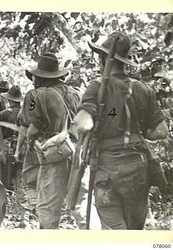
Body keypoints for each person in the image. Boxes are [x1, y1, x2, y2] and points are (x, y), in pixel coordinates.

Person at [73, 31, 168, 229]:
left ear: (102, 59)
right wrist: (137, 131)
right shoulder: (143, 89)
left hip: (107, 167)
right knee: (134, 230)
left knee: (115, 230)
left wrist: (93, 119)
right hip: (138, 168)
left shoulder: (98, 88)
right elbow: (161, 131)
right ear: (124, 61)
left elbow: (83, 124)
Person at [17, 53, 78, 229]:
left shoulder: (35, 96)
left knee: (47, 209)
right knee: (80, 206)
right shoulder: (74, 93)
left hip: (53, 153)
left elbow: (33, 126)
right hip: (76, 152)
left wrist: (30, 140)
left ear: (39, 77)